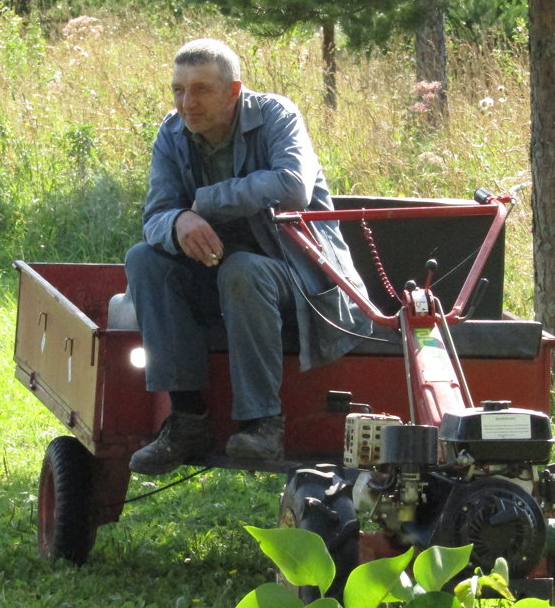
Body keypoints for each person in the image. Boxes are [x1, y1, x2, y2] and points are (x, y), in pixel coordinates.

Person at [125, 38, 372, 475]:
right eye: (178, 90)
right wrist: (179, 221)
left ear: (234, 91)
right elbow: (155, 216)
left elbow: (292, 184)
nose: (187, 103)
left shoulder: (277, 115)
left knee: (241, 270)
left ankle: (262, 424)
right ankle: (186, 419)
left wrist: (203, 202)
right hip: (219, 276)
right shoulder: (172, 132)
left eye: (201, 90)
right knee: (144, 259)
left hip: (299, 274)